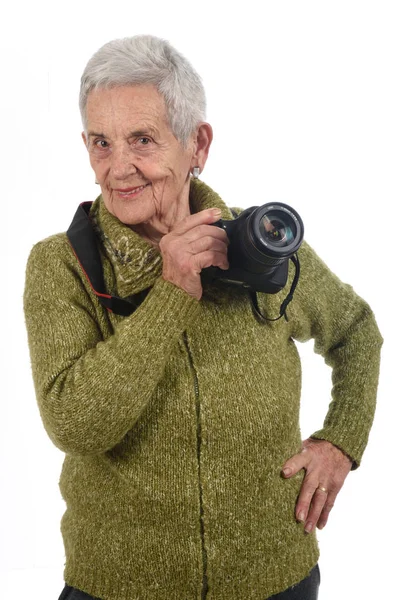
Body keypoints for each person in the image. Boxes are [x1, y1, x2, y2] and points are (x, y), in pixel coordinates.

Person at [23, 35, 383, 600]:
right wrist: (171, 292)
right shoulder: (60, 265)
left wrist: (341, 441)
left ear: (198, 144)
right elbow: (74, 424)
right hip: (118, 587)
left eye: (142, 139)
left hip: (275, 579)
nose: (119, 168)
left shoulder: (265, 242)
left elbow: (356, 331)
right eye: (101, 142)